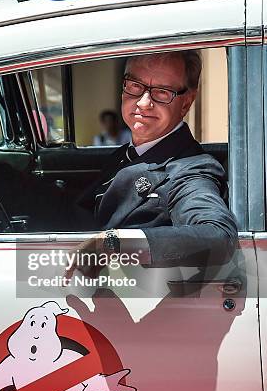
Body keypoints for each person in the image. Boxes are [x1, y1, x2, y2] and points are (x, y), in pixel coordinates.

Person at [75, 50, 238, 268]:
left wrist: (116, 243)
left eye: (162, 92)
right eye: (134, 86)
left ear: (186, 103)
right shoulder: (125, 153)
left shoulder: (190, 168)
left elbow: (219, 236)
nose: (143, 103)